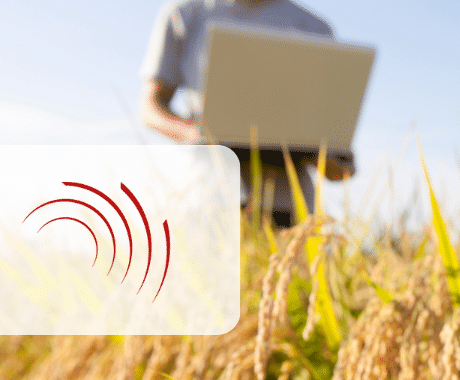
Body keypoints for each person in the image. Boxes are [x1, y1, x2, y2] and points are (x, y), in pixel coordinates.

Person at [139, 0, 355, 228]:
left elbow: (337, 164)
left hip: (290, 210)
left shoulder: (314, 28)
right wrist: (197, 134)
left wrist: (324, 154)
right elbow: (150, 107)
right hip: (207, 196)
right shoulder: (185, 14)